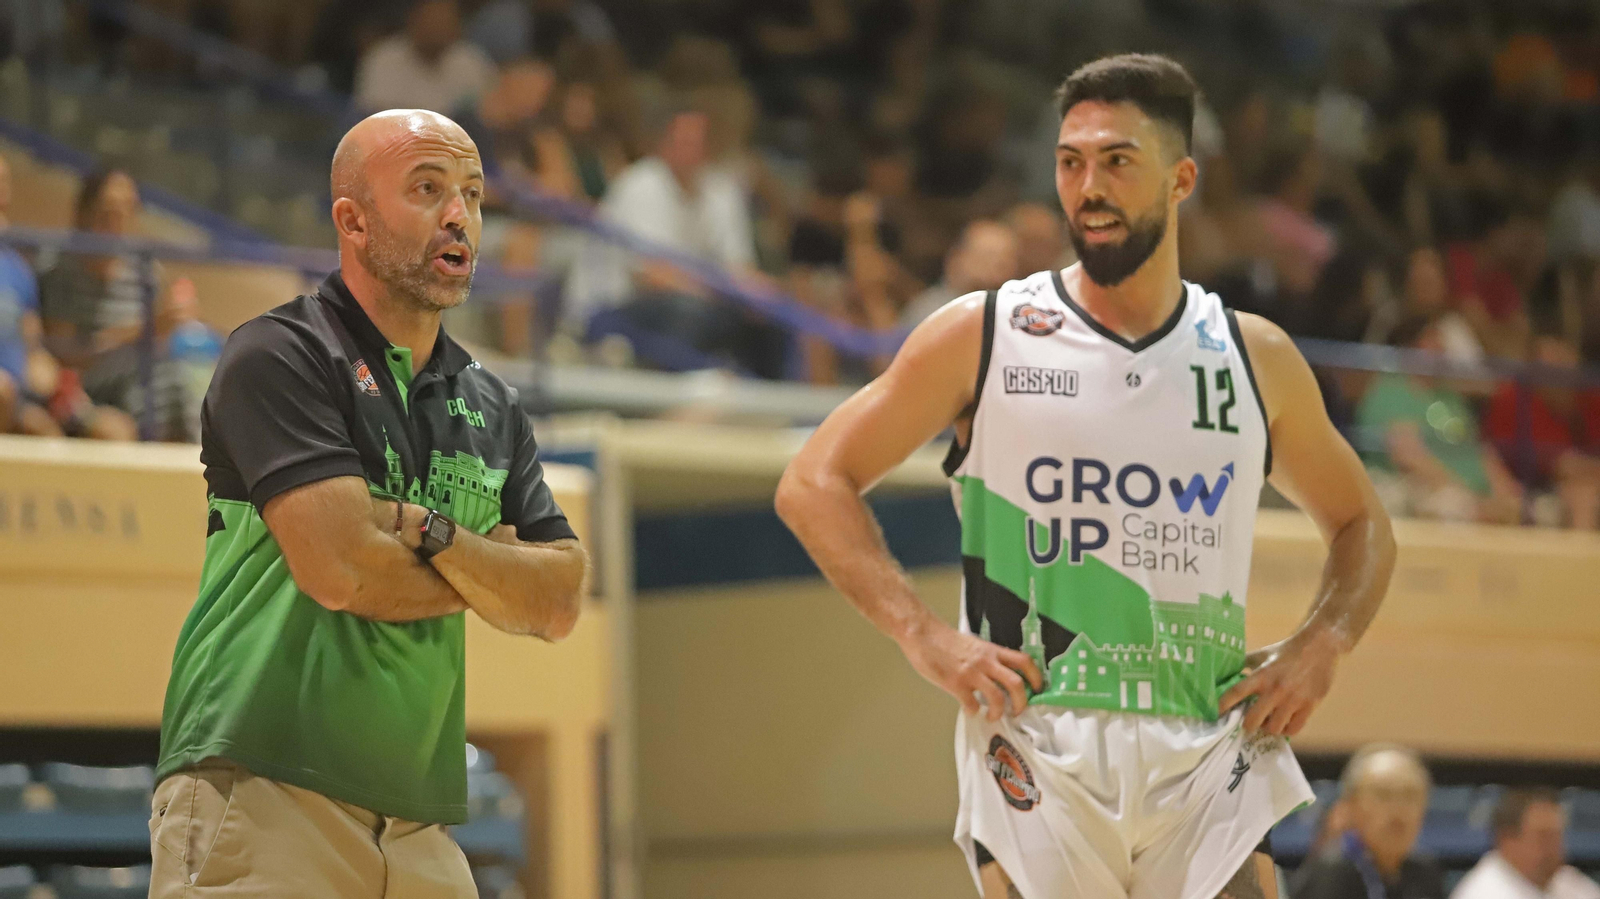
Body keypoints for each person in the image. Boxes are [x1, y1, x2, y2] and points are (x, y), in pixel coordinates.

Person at [776, 54, 1396, 899]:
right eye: (1071, 162)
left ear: (1181, 180)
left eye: (1116, 161)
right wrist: (923, 635)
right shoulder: (986, 331)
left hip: (1206, 730)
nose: (1088, 185)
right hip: (1041, 733)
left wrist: (1324, 641)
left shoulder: (1255, 356)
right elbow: (813, 480)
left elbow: (1364, 524)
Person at [148, 109, 589, 897]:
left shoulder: (494, 403)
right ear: (351, 220)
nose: (460, 215)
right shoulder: (279, 354)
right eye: (428, 188)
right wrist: (493, 575)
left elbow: (557, 599)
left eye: (474, 194)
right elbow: (342, 569)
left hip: (420, 825)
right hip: (261, 792)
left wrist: (431, 530)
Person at [36, 168, 187, 440]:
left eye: (126, 211)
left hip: (140, 386)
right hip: (83, 389)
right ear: (83, 214)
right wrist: (144, 329)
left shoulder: (146, 273)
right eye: (107, 212)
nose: (115, 223)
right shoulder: (59, 270)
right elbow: (65, 356)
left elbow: (157, 346)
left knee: (189, 383)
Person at [0, 156, 133, 439]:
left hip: (30, 397)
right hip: (7, 397)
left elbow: (34, 347)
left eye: (5, 183)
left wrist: (58, 385)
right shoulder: (57, 270)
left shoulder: (17, 269)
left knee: (112, 432)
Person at [1356, 314, 1524, 524]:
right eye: (1432, 340)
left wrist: (1506, 491)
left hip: (1474, 496)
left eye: (1441, 341)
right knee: (1450, 507)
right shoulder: (1391, 391)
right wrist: (1466, 497)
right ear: (1411, 347)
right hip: (1428, 491)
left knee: (1520, 507)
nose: (1441, 348)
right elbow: (1408, 457)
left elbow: (1479, 449)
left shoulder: (1450, 397)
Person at [1292, 744, 1446, 899]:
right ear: (1351, 805)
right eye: (1383, 794)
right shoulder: (1332, 874)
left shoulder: (1425, 873)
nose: (1399, 808)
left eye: (1410, 795)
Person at [353, 0, 495, 116]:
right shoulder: (383, 59)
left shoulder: (471, 61)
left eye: (445, 18)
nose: (438, 26)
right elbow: (374, 116)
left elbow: (490, 114)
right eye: (432, 17)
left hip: (456, 145)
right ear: (414, 19)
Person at [1452, 788, 1600, 899]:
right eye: (1544, 836)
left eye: (1558, 836)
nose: (1554, 847)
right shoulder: (1482, 893)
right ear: (1506, 840)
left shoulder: (1564, 879)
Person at [897, 218, 1019, 326]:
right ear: (957, 258)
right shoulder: (930, 313)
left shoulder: (1018, 312)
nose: (999, 267)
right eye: (987, 257)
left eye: (1007, 258)